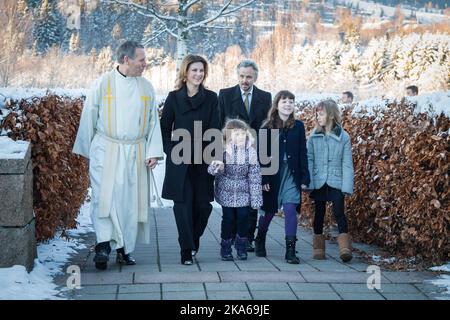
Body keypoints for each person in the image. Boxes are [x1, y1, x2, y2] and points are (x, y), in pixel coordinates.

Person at [73, 40, 164, 270]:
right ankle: (103, 245)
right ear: (127, 59)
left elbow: (153, 122)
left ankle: (125, 249)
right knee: (105, 198)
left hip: (135, 150)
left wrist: (153, 151)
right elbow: (89, 115)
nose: (145, 64)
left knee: (130, 202)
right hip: (107, 148)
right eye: (141, 60)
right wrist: (86, 149)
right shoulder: (103, 83)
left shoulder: (146, 87)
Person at [160, 54, 220, 265]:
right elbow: (165, 128)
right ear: (185, 72)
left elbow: (216, 129)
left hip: (204, 159)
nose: (198, 74)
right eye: (194, 70)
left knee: (203, 206)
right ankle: (186, 249)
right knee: (183, 205)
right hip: (180, 159)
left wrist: (215, 156)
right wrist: (171, 150)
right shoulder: (173, 97)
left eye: (201, 70)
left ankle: (193, 239)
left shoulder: (212, 98)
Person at [218, 60, 272, 252]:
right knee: (232, 199)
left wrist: (266, 161)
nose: (245, 80)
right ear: (237, 76)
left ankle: (247, 237)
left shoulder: (265, 97)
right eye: (241, 76)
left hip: (254, 154)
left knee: (252, 196)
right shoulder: (225, 95)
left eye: (249, 76)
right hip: (232, 155)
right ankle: (230, 236)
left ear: (255, 77)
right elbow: (219, 127)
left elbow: (267, 130)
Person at [255, 90, 310, 264]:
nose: (288, 104)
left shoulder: (298, 126)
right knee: (269, 212)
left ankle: (290, 250)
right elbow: (261, 155)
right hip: (272, 176)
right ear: (277, 105)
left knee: (290, 209)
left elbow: (303, 152)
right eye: (284, 101)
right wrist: (263, 179)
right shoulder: (267, 127)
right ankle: (260, 237)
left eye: (291, 102)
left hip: (291, 175)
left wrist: (304, 177)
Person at [207, 119, 262, 261]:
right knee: (228, 219)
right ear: (229, 135)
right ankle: (225, 247)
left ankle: (241, 245)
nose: (241, 137)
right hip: (227, 191)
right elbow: (212, 171)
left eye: (243, 134)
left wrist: (255, 198)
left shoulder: (251, 152)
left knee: (244, 218)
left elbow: (254, 176)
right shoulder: (223, 150)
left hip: (244, 192)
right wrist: (217, 166)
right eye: (237, 134)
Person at [307, 99, 354, 262]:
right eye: (317, 114)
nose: (318, 117)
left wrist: (347, 186)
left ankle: (344, 248)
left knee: (339, 212)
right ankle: (318, 247)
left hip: (337, 180)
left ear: (331, 115)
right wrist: (309, 181)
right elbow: (309, 159)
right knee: (319, 213)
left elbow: (347, 163)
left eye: (321, 114)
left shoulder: (343, 137)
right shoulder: (313, 136)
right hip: (319, 180)